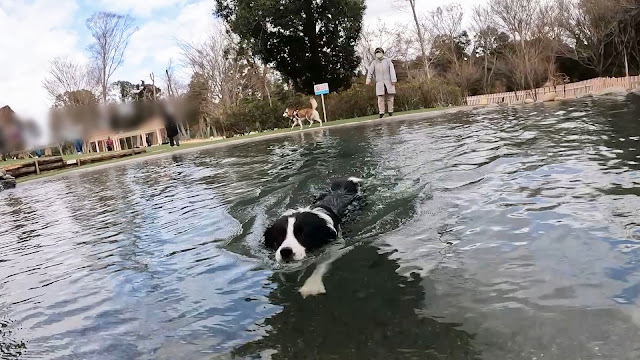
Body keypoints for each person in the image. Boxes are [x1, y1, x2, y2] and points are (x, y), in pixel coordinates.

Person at [366, 47, 397, 118]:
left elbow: (392, 70)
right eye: (377, 53)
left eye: (379, 52)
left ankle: (390, 111)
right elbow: (370, 71)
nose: (378, 54)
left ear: (382, 53)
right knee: (380, 98)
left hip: (388, 81)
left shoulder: (388, 61)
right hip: (379, 82)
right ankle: (381, 112)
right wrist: (368, 79)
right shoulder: (374, 62)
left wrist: (393, 80)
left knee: (390, 97)